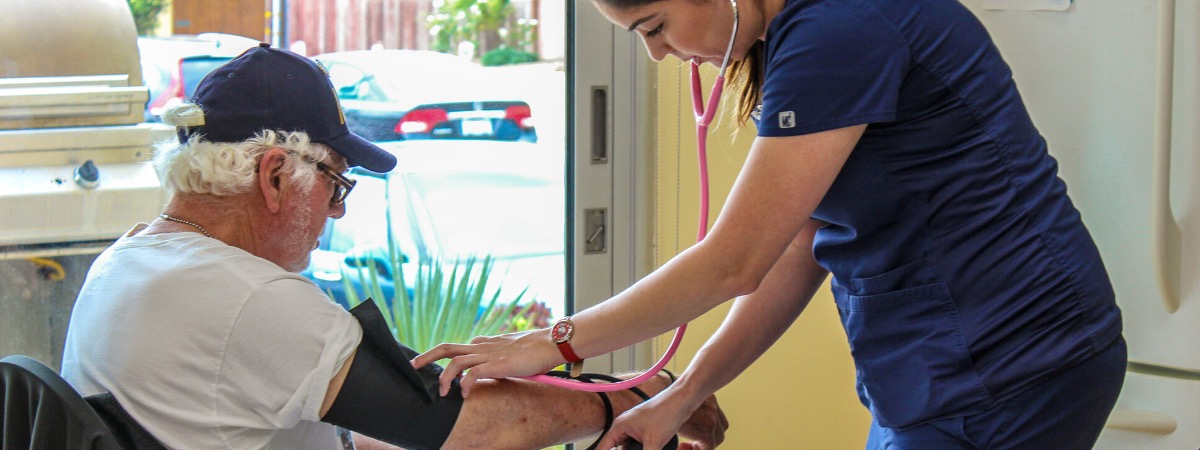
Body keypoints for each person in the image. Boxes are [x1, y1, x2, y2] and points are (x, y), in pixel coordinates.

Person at [413, 0, 1127, 449]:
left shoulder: (842, 28)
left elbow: (735, 262)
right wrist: (680, 396)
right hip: (946, 368)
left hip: (1009, 367)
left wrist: (552, 343)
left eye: (654, 27)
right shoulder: (803, 36)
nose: (657, 54)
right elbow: (797, 248)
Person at [59, 43, 727, 450]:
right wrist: (639, 399)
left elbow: (365, 425)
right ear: (272, 176)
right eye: (335, 183)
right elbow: (471, 431)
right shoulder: (251, 300)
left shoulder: (128, 262)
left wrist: (612, 391)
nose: (338, 209)